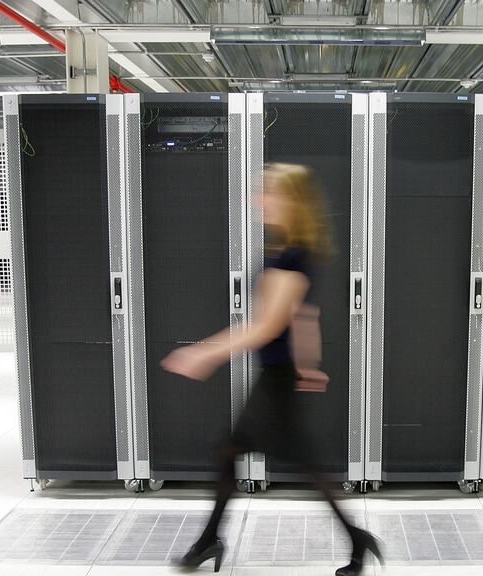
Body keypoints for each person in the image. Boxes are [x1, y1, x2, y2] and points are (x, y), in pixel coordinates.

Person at [162, 163, 383, 575]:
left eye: (269, 191)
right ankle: (355, 541)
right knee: (263, 456)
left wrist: (205, 353)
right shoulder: (288, 252)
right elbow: (304, 318)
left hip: (276, 383)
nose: (259, 199)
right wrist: (308, 365)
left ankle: (210, 541)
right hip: (281, 377)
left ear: (292, 201)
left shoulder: (293, 257)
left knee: (250, 454)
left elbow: (266, 326)